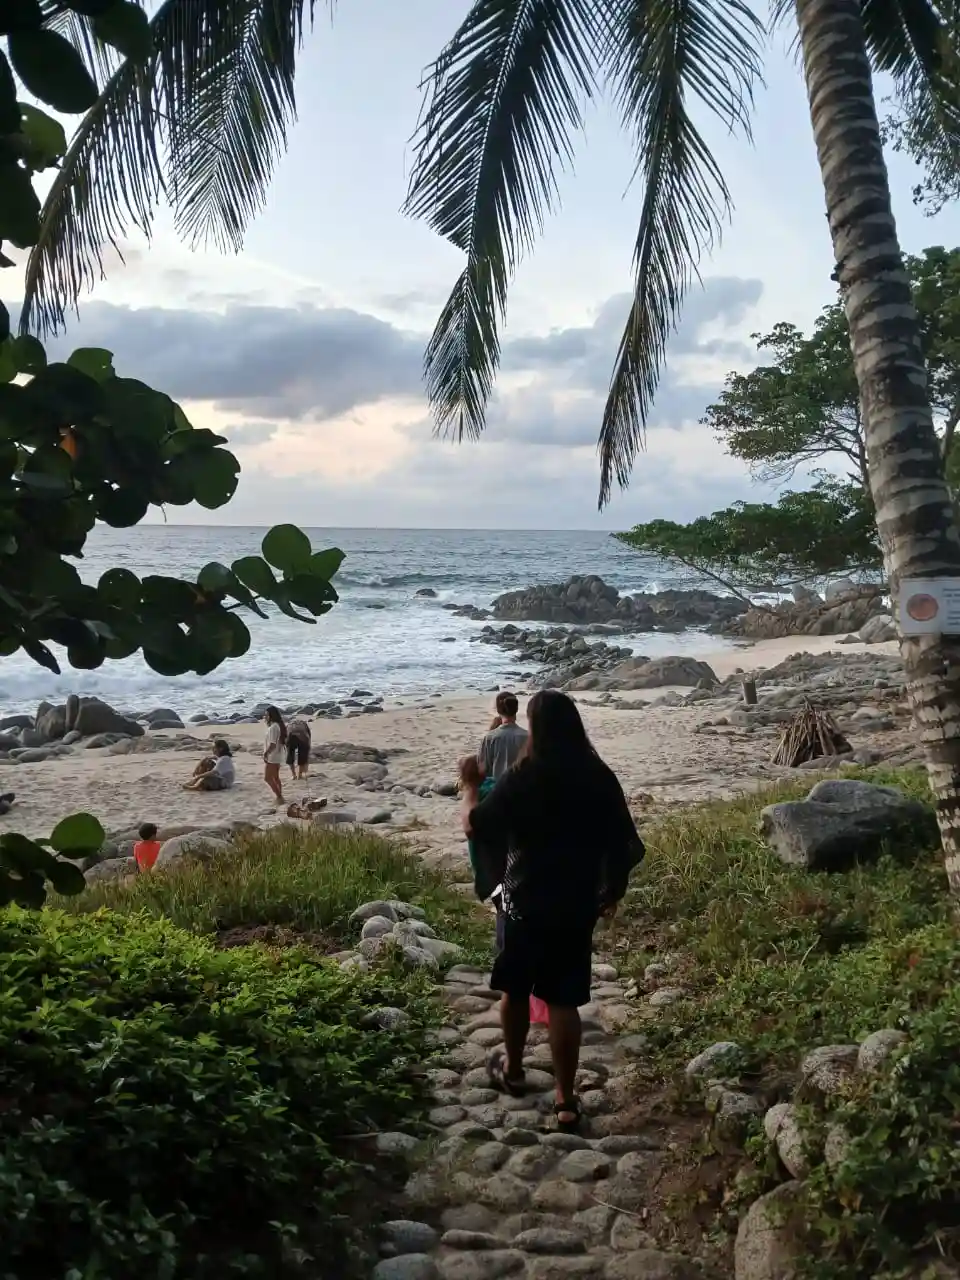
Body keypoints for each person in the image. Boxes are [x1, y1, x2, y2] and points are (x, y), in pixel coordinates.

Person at [461, 689, 644, 1133]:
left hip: (523, 900)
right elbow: (623, 837)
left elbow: (477, 824)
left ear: (536, 728)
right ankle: (565, 1099)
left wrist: (469, 786)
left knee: (516, 989)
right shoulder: (598, 775)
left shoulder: (523, 776)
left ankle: (516, 1068)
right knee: (564, 1001)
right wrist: (611, 888)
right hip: (575, 902)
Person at [478, 692, 527, 781]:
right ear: (516, 709)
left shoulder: (490, 737)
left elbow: (482, 770)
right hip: (523, 790)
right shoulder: (527, 736)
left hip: (497, 790)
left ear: (498, 710)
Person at [263, 706, 287, 804]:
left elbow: (272, 744)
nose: (265, 717)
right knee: (275, 777)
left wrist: (266, 753)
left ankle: (279, 797)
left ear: (271, 716)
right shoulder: (277, 725)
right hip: (277, 755)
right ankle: (279, 796)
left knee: (268, 778)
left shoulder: (273, 727)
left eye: (266, 715)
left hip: (272, 756)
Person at [286, 716, 312, 781]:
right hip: (302, 736)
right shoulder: (304, 724)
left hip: (290, 736)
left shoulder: (289, 724)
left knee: (290, 755)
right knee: (302, 756)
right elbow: (308, 737)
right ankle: (299, 775)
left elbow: (284, 736)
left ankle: (293, 775)